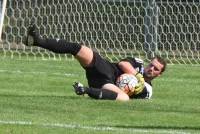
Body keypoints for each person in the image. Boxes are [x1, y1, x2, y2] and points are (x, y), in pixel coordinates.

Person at [24, 25, 167, 101]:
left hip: (107, 85)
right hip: (106, 68)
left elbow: (130, 93)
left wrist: (135, 83)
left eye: (156, 69)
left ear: (159, 75)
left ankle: (85, 90)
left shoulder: (148, 89)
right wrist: (137, 75)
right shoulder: (139, 64)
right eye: (152, 65)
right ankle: (37, 41)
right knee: (80, 49)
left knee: (123, 98)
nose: (151, 69)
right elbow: (123, 64)